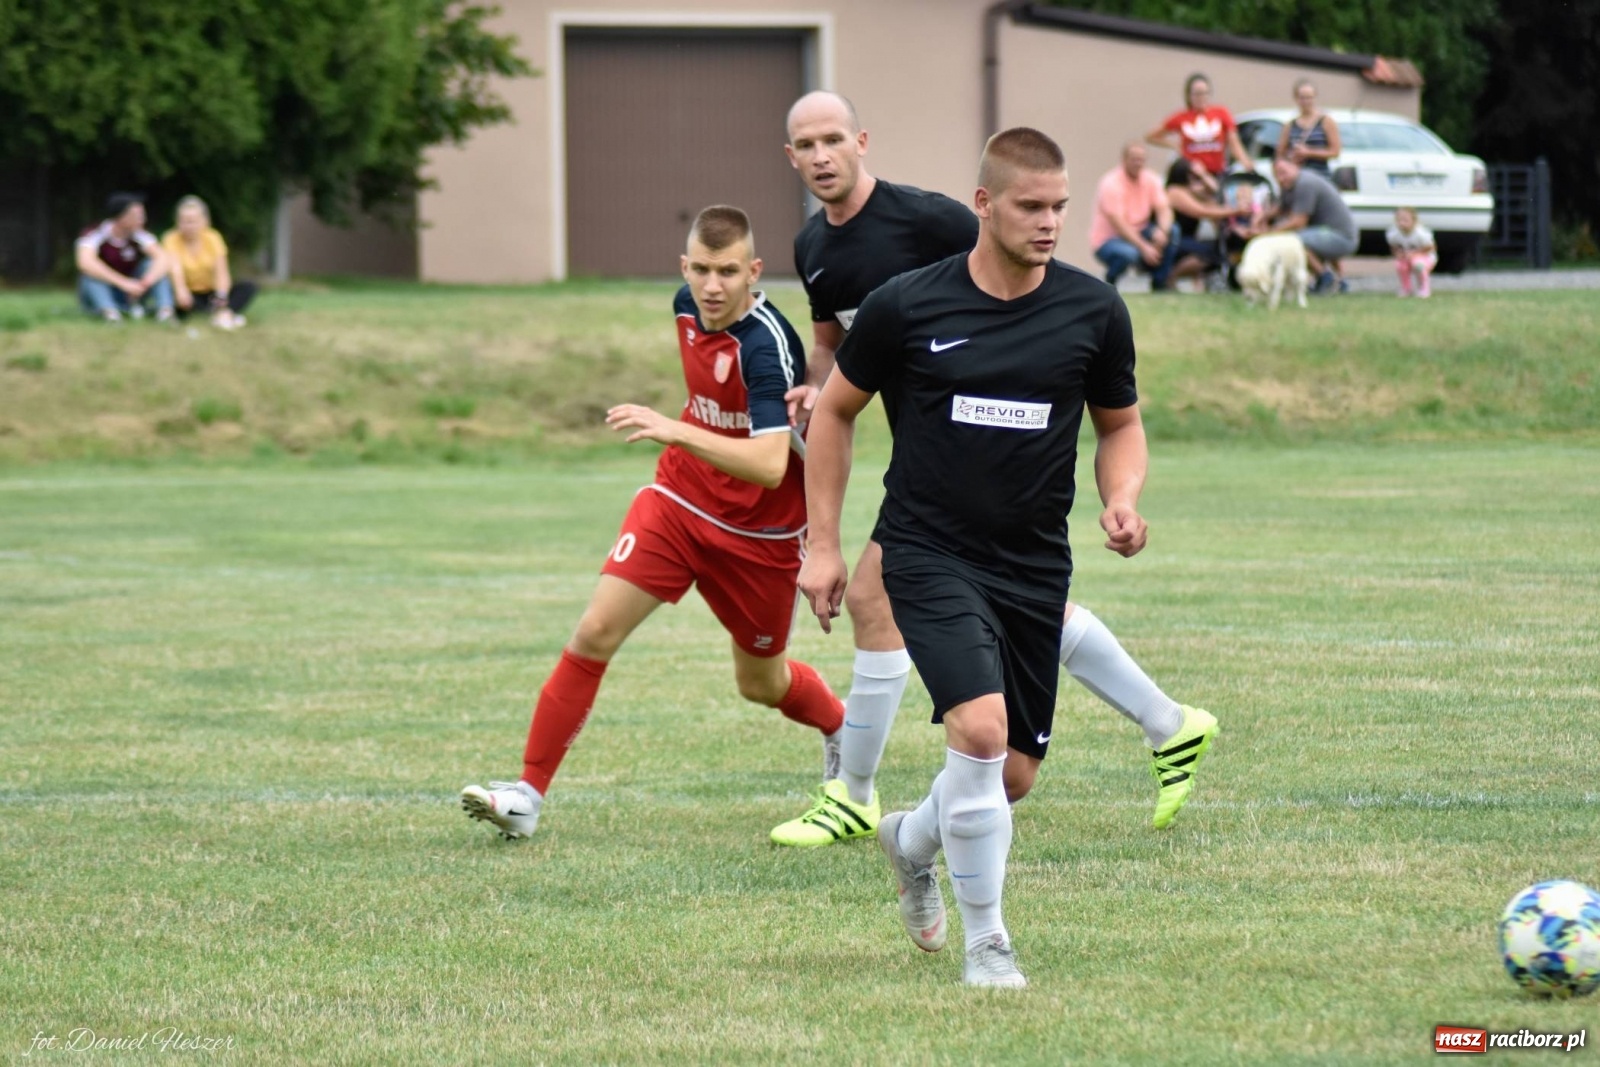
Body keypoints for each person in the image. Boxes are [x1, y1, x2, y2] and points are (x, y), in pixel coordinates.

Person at [801, 127, 1200, 987]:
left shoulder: (1093, 310)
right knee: (978, 732)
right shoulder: (909, 305)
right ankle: (989, 944)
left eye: (1059, 206)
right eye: (1032, 206)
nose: (1051, 222)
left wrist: (1122, 497)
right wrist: (824, 545)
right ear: (984, 204)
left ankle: (910, 841)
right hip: (925, 550)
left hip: (1032, 567)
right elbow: (832, 415)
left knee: (1011, 775)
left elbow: (1120, 426)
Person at [460, 205, 845, 842]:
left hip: (761, 535)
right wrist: (684, 441)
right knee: (595, 631)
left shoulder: (766, 345)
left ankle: (839, 726)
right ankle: (525, 796)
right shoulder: (684, 307)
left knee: (761, 682)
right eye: (701, 269)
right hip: (679, 501)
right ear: (684, 268)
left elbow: (773, 464)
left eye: (728, 271)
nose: (713, 286)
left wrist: (676, 428)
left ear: (754, 272)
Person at [1260, 157, 1359, 294]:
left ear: (1295, 166)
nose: (1281, 178)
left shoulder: (1305, 184)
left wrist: (1267, 233)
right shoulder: (1291, 184)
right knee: (1308, 236)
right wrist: (1261, 217)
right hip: (1332, 232)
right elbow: (1280, 208)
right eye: (1277, 175)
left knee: (1293, 240)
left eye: (1283, 172)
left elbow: (1298, 222)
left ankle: (1324, 277)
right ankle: (1341, 281)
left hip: (1341, 237)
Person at [1090, 143, 1178, 290]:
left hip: (1141, 231)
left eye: (1141, 159)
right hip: (1110, 239)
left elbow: (1164, 209)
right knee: (1130, 253)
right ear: (1124, 160)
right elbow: (1118, 223)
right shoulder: (1111, 183)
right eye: (1134, 159)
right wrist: (1144, 247)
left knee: (1173, 230)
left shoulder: (1151, 179)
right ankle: (1110, 283)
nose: (1138, 163)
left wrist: (1162, 231)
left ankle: (1159, 283)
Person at [75, 193, 175, 323]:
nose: (142, 219)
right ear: (121, 217)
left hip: (132, 292)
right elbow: (85, 262)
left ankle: (165, 312)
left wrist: (145, 283)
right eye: (137, 216)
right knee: (90, 274)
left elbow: (163, 258)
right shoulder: (95, 233)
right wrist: (124, 283)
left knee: (151, 264)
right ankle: (110, 313)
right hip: (106, 288)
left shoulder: (140, 235)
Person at [162, 196, 257, 329]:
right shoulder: (171, 239)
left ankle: (225, 312)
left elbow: (222, 270)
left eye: (193, 221)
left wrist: (221, 295)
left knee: (248, 286)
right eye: (184, 221)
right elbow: (174, 269)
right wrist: (180, 290)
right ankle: (217, 315)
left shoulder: (213, 238)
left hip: (211, 292)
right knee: (182, 301)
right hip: (188, 293)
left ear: (204, 221)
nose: (189, 226)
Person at [1145, 73, 1253, 180]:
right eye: (1197, 94)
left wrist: (1245, 162)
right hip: (1192, 175)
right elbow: (1151, 136)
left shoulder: (1221, 113)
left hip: (1216, 173)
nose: (1201, 97)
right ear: (1189, 95)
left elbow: (1234, 143)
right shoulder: (1181, 117)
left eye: (1204, 93)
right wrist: (1174, 145)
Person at [1163, 158, 1239, 289]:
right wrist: (1235, 210)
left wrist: (1204, 175)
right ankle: (1171, 278)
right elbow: (1201, 211)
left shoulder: (1193, 192)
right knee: (1211, 250)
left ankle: (1196, 281)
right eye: (1194, 175)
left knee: (1219, 247)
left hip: (1190, 238)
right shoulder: (1174, 191)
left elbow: (1217, 192)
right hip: (1175, 239)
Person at [1274, 79, 1341, 178]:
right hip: (1297, 177)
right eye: (1302, 98)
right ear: (1296, 99)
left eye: (1309, 98)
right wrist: (1291, 158)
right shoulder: (1290, 125)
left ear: (1315, 98)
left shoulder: (1326, 121)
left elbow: (1335, 152)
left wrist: (1308, 152)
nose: (1306, 102)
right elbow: (1280, 153)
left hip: (1320, 176)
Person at [1387, 207, 1437, 298]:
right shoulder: (1394, 233)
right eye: (1399, 220)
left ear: (1414, 221)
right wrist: (1398, 254)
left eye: (1405, 220)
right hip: (1406, 256)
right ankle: (1406, 288)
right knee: (1400, 265)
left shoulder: (1421, 233)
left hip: (1425, 257)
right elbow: (1393, 246)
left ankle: (1424, 288)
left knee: (1418, 265)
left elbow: (1431, 247)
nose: (1401, 223)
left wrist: (1415, 254)